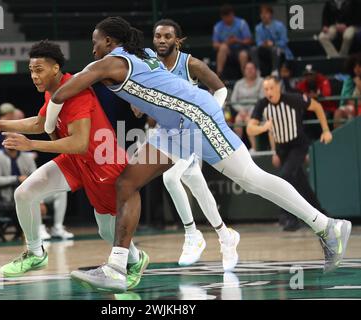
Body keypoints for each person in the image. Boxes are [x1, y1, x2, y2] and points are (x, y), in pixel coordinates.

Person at [45, 17, 351, 292]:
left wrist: (48, 126)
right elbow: (157, 87)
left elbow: (62, 92)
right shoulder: (143, 54)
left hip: (195, 118)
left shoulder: (109, 62)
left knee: (253, 180)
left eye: (95, 41)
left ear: (109, 42)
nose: (93, 46)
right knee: (126, 183)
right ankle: (116, 268)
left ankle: (326, 226)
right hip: (173, 126)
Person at [0, 40, 147, 290]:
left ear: (55, 68)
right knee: (24, 193)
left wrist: (31, 145)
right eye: (31, 70)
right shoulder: (52, 92)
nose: (34, 76)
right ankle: (35, 254)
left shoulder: (74, 91)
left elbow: (79, 142)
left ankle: (135, 259)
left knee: (108, 232)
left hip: (103, 164)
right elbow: (40, 123)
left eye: (39, 70)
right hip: (76, 161)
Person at [136, 18, 238, 267]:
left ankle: (192, 234)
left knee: (171, 178)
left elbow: (221, 89)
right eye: (158, 36)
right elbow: (141, 106)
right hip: (165, 134)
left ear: (177, 40)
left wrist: (208, 115)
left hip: (191, 133)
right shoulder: (150, 67)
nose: (161, 40)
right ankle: (225, 235)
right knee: (198, 186)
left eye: (167, 36)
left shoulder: (190, 63)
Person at [247, 76, 333, 231]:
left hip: (298, 145)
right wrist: (264, 129)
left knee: (285, 176)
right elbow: (250, 128)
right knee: (301, 184)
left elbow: (317, 107)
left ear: (279, 87)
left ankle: (290, 218)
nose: (269, 92)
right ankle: (321, 214)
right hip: (281, 148)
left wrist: (326, 130)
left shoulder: (293, 99)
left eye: (271, 88)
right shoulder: (262, 104)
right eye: (266, 89)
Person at [0, 144, 72, 240]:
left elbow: (38, 178)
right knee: (30, 196)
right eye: (8, 137)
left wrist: (41, 201)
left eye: (14, 137)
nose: (11, 140)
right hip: (8, 194)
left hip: (31, 191)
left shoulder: (27, 157)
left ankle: (57, 227)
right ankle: (39, 228)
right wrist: (17, 179)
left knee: (60, 193)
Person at [251, 4, 293, 76]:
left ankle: (275, 71)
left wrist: (273, 43)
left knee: (275, 49)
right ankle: (257, 70)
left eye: (266, 13)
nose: (263, 15)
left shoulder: (279, 26)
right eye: (262, 13)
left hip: (279, 50)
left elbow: (284, 41)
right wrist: (263, 44)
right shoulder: (258, 28)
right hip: (264, 50)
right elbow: (258, 42)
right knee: (253, 49)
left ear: (270, 14)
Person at [230, 61, 264, 151]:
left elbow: (262, 98)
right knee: (238, 120)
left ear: (256, 70)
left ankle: (254, 148)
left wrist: (251, 111)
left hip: (257, 110)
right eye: (247, 69)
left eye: (251, 68)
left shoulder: (261, 81)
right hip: (242, 111)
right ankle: (237, 149)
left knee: (250, 121)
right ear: (244, 71)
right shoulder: (239, 83)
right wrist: (241, 110)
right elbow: (233, 100)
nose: (249, 71)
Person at [212, 4, 252, 77]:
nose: (227, 19)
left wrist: (237, 40)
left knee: (243, 55)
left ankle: (246, 77)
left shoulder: (242, 23)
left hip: (241, 49)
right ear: (222, 17)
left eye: (229, 16)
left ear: (232, 14)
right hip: (228, 51)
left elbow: (249, 40)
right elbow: (215, 44)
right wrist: (227, 43)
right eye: (225, 17)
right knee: (223, 47)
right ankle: (219, 75)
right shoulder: (218, 26)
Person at [334, 53, 361, 127]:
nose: (357, 69)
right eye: (355, 67)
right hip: (353, 106)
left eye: (359, 66)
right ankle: (338, 137)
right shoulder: (350, 79)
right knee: (338, 113)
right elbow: (345, 98)